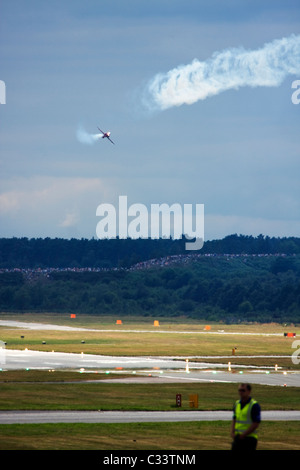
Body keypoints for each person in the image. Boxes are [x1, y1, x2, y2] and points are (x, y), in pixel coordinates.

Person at [231, 383, 261, 451]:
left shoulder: (254, 405)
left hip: (249, 438)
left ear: (249, 391)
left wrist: (244, 434)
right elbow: (234, 418)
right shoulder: (236, 404)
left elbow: (256, 423)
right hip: (238, 437)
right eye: (239, 390)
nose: (240, 392)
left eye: (243, 390)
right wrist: (232, 432)